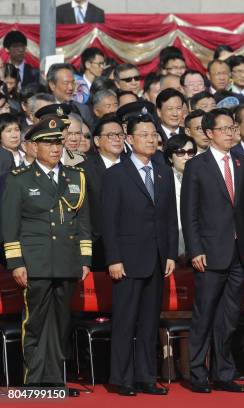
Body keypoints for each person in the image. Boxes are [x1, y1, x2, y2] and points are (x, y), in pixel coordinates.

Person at [1, 116, 91, 397]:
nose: (55, 148)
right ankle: (34, 379)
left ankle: (54, 379)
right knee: (36, 322)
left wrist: (85, 259)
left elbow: (84, 222)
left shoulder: (75, 176)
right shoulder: (20, 180)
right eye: (48, 143)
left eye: (58, 142)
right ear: (33, 147)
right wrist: (16, 263)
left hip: (66, 261)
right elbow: (9, 225)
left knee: (61, 321)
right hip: (35, 262)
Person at [181, 108, 244, 394]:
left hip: (239, 252)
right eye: (224, 129)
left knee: (229, 316)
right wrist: (195, 249)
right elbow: (188, 213)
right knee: (204, 314)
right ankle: (198, 372)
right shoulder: (196, 166)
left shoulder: (242, 162)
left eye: (232, 128)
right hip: (209, 253)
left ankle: (223, 372)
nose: (230, 133)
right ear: (209, 133)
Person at [103, 113, 178, 396]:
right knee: (125, 321)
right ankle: (121, 378)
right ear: (129, 139)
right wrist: (114, 258)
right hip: (127, 260)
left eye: (153, 135)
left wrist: (170, 252)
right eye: (144, 135)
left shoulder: (163, 171)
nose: (150, 139)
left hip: (157, 259)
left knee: (149, 322)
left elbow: (169, 217)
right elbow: (109, 221)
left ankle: (146, 376)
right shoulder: (116, 175)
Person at [80, 115, 125, 271]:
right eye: (111, 135)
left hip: (132, 247)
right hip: (97, 248)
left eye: (120, 135)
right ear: (97, 141)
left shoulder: (133, 165)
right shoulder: (84, 170)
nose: (117, 139)